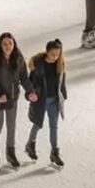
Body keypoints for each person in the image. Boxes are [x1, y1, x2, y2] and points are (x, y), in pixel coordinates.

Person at [0, 33, 33, 172]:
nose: (8, 46)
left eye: (10, 44)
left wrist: (30, 91)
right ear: (0, 45)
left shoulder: (18, 59)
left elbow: (24, 77)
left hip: (12, 97)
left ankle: (10, 152)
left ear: (14, 44)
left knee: (11, 125)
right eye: (5, 44)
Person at [25, 39, 67, 167]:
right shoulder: (38, 66)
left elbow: (61, 82)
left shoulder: (60, 64)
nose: (55, 57)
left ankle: (55, 152)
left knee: (54, 126)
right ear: (47, 52)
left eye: (57, 54)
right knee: (38, 124)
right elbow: (30, 84)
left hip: (54, 100)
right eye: (53, 54)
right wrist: (30, 95)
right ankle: (30, 144)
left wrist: (63, 96)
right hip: (41, 100)